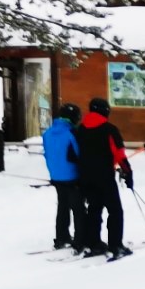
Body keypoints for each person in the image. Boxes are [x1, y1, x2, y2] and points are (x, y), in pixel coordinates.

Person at [73, 97, 134, 260]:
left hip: (85, 177)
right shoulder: (109, 129)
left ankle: (94, 243)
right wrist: (128, 173)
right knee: (115, 211)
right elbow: (119, 154)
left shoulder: (80, 129)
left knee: (94, 209)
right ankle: (116, 245)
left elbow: (73, 154)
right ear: (105, 111)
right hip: (105, 177)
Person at [41, 104, 83, 249]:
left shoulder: (48, 133)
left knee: (63, 206)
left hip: (56, 175)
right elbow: (79, 153)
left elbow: (46, 154)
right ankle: (80, 239)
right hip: (72, 176)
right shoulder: (72, 132)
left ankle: (61, 237)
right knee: (78, 209)